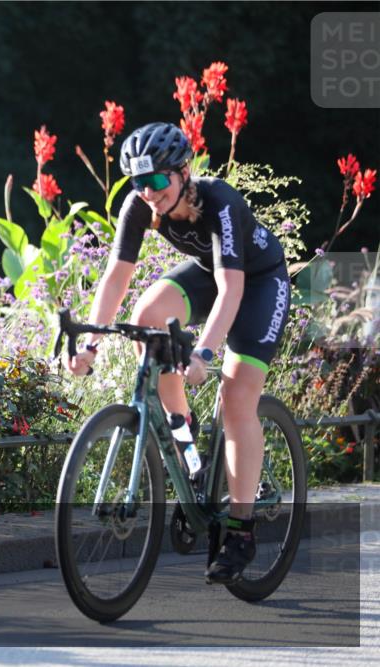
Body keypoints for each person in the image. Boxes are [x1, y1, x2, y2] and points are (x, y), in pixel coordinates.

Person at [64, 121, 291, 584]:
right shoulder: (139, 205)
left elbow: (232, 290)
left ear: (184, 171)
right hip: (211, 274)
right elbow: (116, 276)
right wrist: (90, 344)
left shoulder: (219, 201)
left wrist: (204, 353)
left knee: (235, 399)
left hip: (259, 282)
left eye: (156, 181)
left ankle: (241, 530)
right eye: (138, 182)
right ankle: (188, 448)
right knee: (148, 319)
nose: (147, 193)